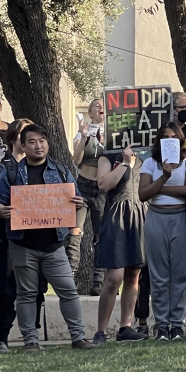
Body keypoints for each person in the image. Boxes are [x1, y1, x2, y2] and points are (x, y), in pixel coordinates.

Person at [0, 123, 93, 351]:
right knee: (26, 293)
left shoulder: (62, 170)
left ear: (47, 143)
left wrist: (78, 203)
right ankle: (31, 342)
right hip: (23, 244)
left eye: (42, 141)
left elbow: (78, 200)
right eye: (32, 142)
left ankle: (78, 338)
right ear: (23, 146)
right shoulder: (11, 172)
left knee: (68, 290)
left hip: (54, 245)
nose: (39, 145)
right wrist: (1, 211)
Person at [138, 122, 186, 340]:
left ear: (181, 140)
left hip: (181, 218)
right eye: (165, 137)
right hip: (156, 218)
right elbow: (143, 194)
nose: (170, 140)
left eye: (174, 137)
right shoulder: (149, 163)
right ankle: (161, 324)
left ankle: (177, 324)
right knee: (159, 275)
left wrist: (158, 187)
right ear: (159, 140)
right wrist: (163, 177)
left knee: (181, 274)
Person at [0, 118, 31, 353]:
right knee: (6, 289)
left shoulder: (44, 168)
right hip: (9, 240)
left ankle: (30, 337)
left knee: (34, 289)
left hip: (36, 239)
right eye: (25, 134)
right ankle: (2, 338)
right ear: (13, 138)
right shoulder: (2, 169)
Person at [92, 141, 145, 344]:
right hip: (117, 215)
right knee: (114, 278)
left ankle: (126, 327)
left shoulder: (146, 157)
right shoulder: (108, 157)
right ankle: (101, 331)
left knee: (133, 275)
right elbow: (104, 185)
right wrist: (124, 163)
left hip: (140, 214)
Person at [73, 99, 107, 294]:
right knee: (75, 232)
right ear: (90, 113)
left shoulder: (112, 133)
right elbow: (76, 160)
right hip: (83, 186)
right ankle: (70, 276)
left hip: (102, 188)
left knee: (100, 235)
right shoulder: (83, 132)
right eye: (96, 105)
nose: (101, 107)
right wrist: (85, 138)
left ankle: (98, 281)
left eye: (103, 105)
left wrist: (104, 143)